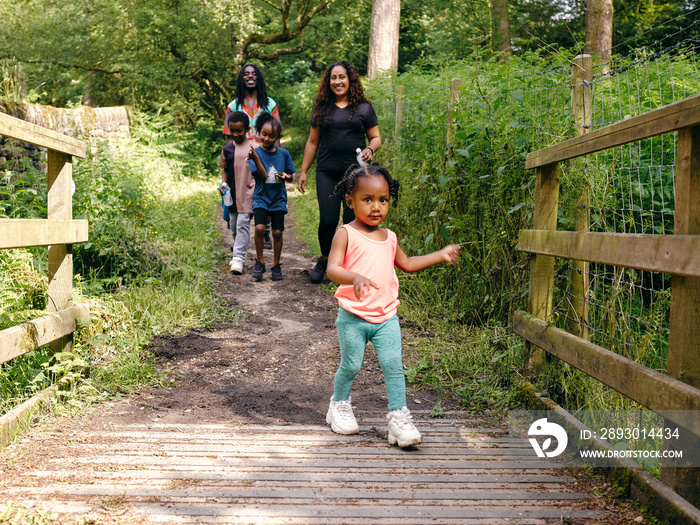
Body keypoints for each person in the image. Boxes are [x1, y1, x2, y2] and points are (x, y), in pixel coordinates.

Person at [324, 164, 460, 447]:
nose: (376, 207)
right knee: (351, 365)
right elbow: (332, 269)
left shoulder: (390, 237)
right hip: (353, 316)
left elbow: (407, 264)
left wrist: (440, 254)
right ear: (350, 201)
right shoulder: (346, 233)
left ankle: (399, 418)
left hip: (386, 316)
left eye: (383, 200)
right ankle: (338, 406)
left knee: (393, 365)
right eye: (367, 199)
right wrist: (355, 277)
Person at [297, 61, 381, 284]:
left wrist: (370, 149)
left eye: (342, 77)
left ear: (350, 79)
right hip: (327, 172)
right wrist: (303, 171)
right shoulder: (321, 109)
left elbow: (376, 137)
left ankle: (347, 266)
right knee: (328, 220)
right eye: (333, 78)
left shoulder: (364, 108)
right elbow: (312, 142)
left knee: (352, 220)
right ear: (328, 82)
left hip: (356, 175)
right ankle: (325, 260)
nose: (337, 82)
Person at [223, 64, 280, 249]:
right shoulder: (233, 106)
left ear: (259, 78)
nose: (250, 76)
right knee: (240, 195)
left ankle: (264, 232)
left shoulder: (269, 104)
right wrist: (228, 163)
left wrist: (276, 159)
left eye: (254, 73)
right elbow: (227, 136)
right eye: (246, 74)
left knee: (266, 190)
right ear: (241, 78)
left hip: (264, 154)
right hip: (240, 156)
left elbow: (277, 133)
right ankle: (239, 240)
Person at [248, 112, 296, 282]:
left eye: (271, 136)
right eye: (264, 134)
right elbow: (261, 174)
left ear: (278, 137)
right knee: (260, 229)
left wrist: (287, 177)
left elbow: (291, 175)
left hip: (278, 199)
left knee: (277, 232)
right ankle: (260, 262)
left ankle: (276, 265)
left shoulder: (284, 154)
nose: (267, 139)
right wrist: (255, 157)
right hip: (261, 197)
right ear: (258, 133)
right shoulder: (254, 153)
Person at [218, 111, 255, 275]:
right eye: (232, 130)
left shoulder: (254, 149)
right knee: (233, 225)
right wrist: (223, 183)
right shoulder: (227, 150)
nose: (235, 134)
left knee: (242, 224)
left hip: (248, 193)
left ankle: (239, 258)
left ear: (247, 129)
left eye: (239, 131)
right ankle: (238, 253)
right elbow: (225, 170)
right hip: (231, 196)